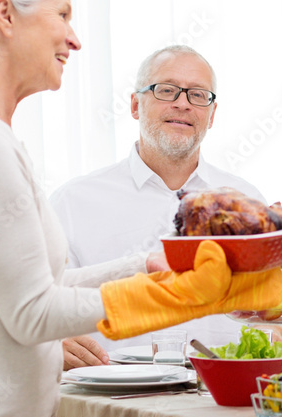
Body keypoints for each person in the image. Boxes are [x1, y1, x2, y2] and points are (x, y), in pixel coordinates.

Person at [0, 0, 282, 417]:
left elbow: (44, 283)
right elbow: (35, 314)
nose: (75, 39)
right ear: (6, 16)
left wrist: (150, 265)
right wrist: (182, 296)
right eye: (62, 15)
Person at [52, 45, 268, 369]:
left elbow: (271, 310)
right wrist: (51, 341)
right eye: (167, 90)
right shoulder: (71, 203)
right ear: (136, 105)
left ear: (212, 115)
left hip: (219, 404)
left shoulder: (247, 203)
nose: (182, 103)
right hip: (114, 401)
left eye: (198, 95)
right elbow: (35, 305)